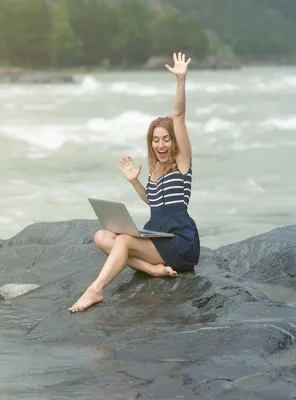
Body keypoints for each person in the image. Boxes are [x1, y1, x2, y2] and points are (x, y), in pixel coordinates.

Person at [69, 52, 201, 313]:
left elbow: (179, 115)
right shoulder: (155, 168)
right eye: (155, 140)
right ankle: (151, 269)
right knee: (102, 236)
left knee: (124, 242)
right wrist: (135, 182)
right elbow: (153, 201)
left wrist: (181, 80)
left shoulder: (182, 162)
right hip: (157, 234)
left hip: (179, 241)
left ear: (174, 142)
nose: (161, 144)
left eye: (166, 139)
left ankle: (95, 290)